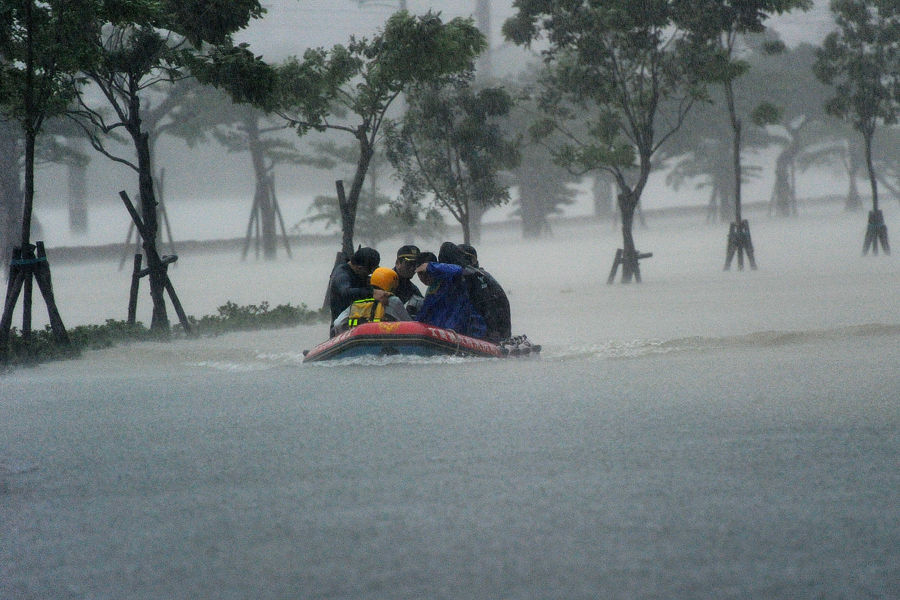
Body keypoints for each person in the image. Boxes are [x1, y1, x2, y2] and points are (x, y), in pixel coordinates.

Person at [414, 247, 487, 339]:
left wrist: (430, 267)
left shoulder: (452, 281)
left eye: (426, 273)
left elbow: (458, 270)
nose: (423, 277)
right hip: (444, 337)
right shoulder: (431, 294)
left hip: (465, 335)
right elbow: (423, 317)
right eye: (420, 274)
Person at [332, 267, 411, 334]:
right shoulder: (393, 301)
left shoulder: (359, 300)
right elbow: (409, 325)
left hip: (359, 342)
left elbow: (338, 323)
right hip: (385, 341)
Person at [327, 247, 382, 333]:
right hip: (341, 329)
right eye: (369, 272)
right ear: (359, 268)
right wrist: (372, 293)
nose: (370, 275)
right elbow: (346, 292)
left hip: (361, 324)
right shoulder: (342, 275)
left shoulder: (358, 273)